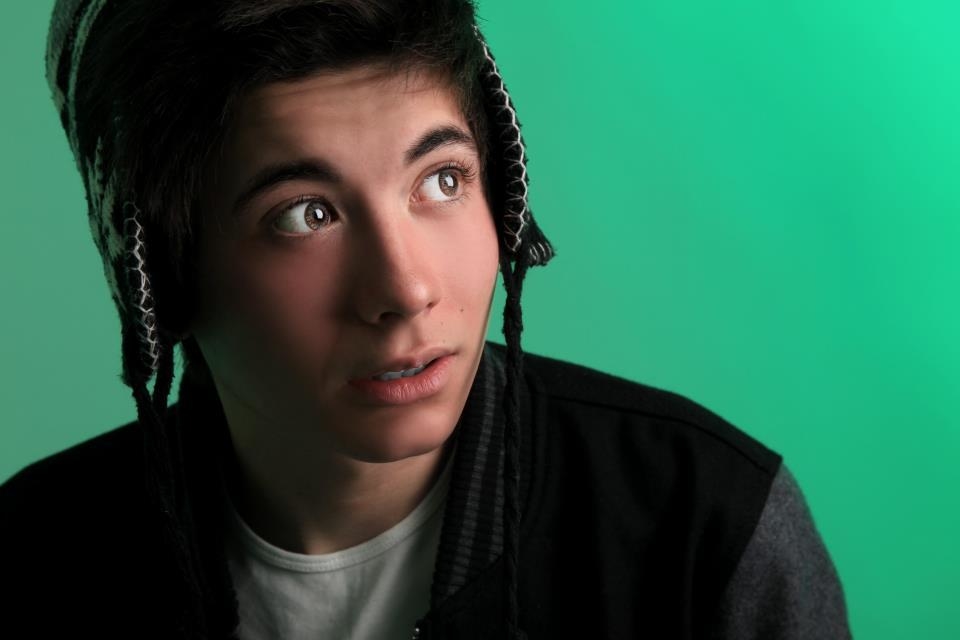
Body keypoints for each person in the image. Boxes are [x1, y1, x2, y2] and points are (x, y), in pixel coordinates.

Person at [0, 1, 851, 638]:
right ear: (160, 275)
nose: (405, 290)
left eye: (442, 180)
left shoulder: (702, 526)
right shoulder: (35, 559)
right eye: (304, 214)